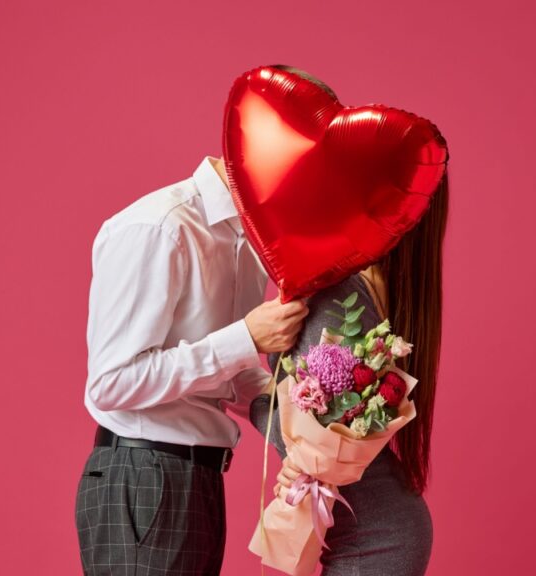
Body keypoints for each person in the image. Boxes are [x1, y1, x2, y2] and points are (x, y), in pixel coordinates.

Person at [250, 64, 450, 576]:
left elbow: (312, 435)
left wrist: (238, 394)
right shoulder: (389, 292)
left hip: (372, 538)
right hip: (382, 526)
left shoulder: (338, 294)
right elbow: (331, 428)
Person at [75, 154, 309, 575]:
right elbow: (111, 382)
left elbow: (223, 371)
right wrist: (246, 338)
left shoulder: (248, 242)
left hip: (197, 480)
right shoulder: (159, 226)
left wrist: (301, 412)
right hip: (144, 480)